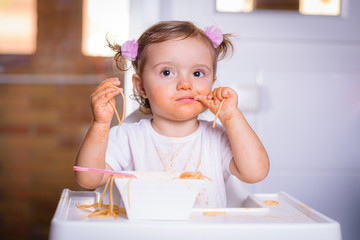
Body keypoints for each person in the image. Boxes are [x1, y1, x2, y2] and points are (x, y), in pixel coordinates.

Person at [75, 21, 269, 208]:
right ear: (141, 86)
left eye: (198, 73)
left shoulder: (217, 139)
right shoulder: (128, 137)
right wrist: (100, 125)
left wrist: (232, 117)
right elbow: (88, 178)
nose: (185, 84)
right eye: (167, 72)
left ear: (212, 83)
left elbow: (255, 173)